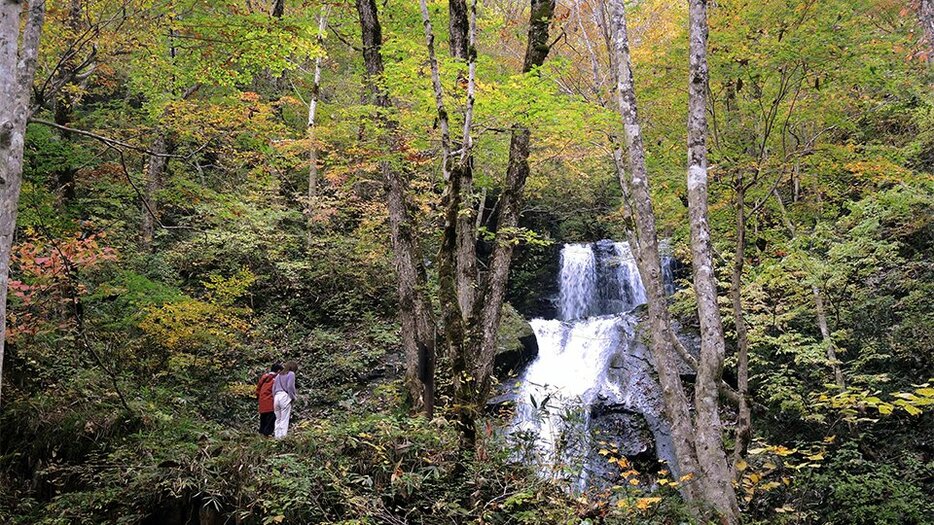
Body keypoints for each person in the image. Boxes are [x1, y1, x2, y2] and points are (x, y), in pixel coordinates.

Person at [256, 363, 283, 437]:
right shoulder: (276, 379)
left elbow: (258, 389)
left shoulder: (264, 378)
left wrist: (259, 398)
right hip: (271, 402)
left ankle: (261, 434)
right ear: (278, 371)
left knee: (263, 419)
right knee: (271, 420)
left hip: (262, 402)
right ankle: (267, 435)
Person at [273, 361, 298, 439]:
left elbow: (273, 389)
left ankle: (277, 437)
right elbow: (290, 386)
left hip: (276, 397)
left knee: (278, 419)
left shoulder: (278, 376)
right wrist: (293, 397)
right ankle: (283, 437)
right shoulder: (291, 374)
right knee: (284, 418)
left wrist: (274, 397)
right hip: (284, 396)